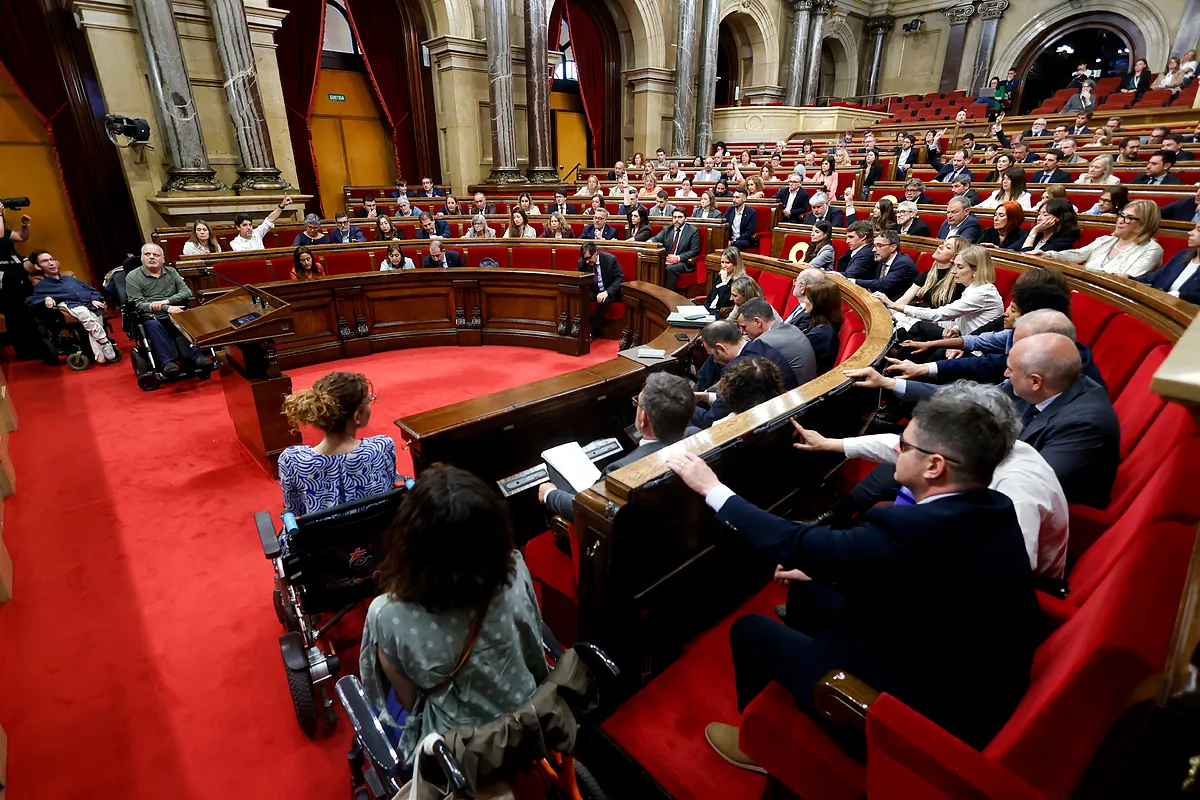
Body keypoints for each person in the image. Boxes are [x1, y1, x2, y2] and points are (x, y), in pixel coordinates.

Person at [671, 381, 1041, 767]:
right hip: (947, 654)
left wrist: (714, 490)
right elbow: (926, 576)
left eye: (905, 445)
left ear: (935, 466)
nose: (895, 449)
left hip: (918, 711)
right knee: (811, 589)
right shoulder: (994, 504)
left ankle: (760, 743)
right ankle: (803, 679)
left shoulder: (912, 530)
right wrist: (831, 565)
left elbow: (796, 543)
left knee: (750, 630)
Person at [360, 464, 548, 767]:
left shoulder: (386, 613)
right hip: (529, 721)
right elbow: (532, 644)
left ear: (410, 543)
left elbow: (410, 701)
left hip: (457, 753)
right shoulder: (514, 568)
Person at [795, 382, 1068, 579]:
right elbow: (899, 445)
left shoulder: (1018, 489)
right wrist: (830, 444)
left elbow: (1008, 571)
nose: (900, 448)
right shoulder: (990, 448)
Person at [540, 373, 696, 521]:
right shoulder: (696, 436)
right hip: (680, 523)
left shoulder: (620, 471)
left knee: (555, 470)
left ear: (644, 418)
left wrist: (550, 494)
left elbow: (588, 509)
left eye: (637, 403)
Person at [1007, 333, 1120, 508]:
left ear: (1035, 381)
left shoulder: (1084, 425)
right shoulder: (1053, 384)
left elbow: (1032, 485)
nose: (1006, 374)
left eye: (1010, 370)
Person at [278, 371, 395, 516]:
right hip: (378, 529)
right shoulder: (381, 448)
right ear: (357, 416)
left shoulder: (292, 461)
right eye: (368, 401)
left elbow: (295, 513)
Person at [126, 243, 213, 377]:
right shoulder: (133, 277)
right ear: (142, 258)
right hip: (150, 316)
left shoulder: (171, 272)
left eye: (156, 255)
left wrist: (167, 301)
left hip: (174, 311)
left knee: (186, 318)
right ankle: (167, 363)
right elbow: (137, 303)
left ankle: (197, 357)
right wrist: (166, 308)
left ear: (163, 259)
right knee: (153, 325)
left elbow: (186, 292)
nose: (151, 257)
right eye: (147, 254)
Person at [881, 244, 1003, 339]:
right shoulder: (973, 288)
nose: (953, 271)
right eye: (954, 265)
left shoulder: (982, 293)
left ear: (976, 270)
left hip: (976, 349)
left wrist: (895, 305)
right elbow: (965, 319)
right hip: (962, 338)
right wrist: (956, 328)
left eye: (960, 267)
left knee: (918, 331)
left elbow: (939, 314)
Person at [691, 320, 794, 428]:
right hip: (782, 414)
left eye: (712, 355)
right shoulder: (763, 347)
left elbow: (709, 421)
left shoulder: (739, 371)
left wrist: (684, 404)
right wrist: (707, 397)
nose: (714, 361)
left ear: (721, 348)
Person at [25, 250, 118, 363]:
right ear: (37, 266)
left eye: (52, 259)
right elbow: (31, 302)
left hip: (91, 305)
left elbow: (91, 290)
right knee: (84, 313)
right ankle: (104, 342)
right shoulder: (42, 286)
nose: (51, 263)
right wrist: (46, 299)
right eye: (45, 261)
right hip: (74, 308)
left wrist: (94, 299)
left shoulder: (70, 278)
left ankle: (100, 355)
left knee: (95, 317)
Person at [1038, 199, 1163, 277]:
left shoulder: (1151, 250)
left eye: (1129, 218)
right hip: (1084, 286)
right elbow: (1079, 254)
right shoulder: (1105, 240)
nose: (1120, 221)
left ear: (1145, 223)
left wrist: (1085, 272)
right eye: (1121, 215)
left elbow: (1128, 278)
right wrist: (1049, 254)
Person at [736, 298, 818, 386]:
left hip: (797, 391)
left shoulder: (763, 342)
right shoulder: (792, 328)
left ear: (758, 322)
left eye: (744, 327)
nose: (743, 332)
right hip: (811, 386)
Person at [888, 236, 970, 314]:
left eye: (948, 247)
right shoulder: (927, 274)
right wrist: (889, 312)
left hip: (937, 319)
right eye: (943, 244)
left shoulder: (959, 281)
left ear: (954, 258)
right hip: (919, 314)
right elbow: (904, 300)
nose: (940, 246)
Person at [1135, 221, 1200, 303]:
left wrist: (1179, 296)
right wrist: (1128, 279)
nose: (1190, 233)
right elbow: (1151, 280)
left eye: (1199, 230)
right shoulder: (1183, 255)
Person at [853, 230, 918, 301]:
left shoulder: (903, 264)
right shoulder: (882, 259)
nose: (873, 250)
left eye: (879, 246)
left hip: (898, 304)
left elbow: (882, 284)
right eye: (874, 246)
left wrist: (853, 281)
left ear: (893, 247)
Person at [578, 241, 622, 336]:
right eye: (585, 259)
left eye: (589, 258)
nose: (587, 261)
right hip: (593, 292)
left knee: (601, 300)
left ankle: (594, 332)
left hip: (609, 291)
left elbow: (619, 278)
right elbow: (580, 281)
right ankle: (579, 328)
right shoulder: (582, 263)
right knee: (579, 297)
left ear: (596, 252)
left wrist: (607, 292)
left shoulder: (610, 259)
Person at [649, 209, 700, 290]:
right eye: (674, 217)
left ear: (686, 218)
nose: (676, 220)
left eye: (680, 217)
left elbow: (694, 250)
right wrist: (649, 242)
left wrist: (678, 258)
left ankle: (668, 294)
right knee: (652, 263)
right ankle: (653, 291)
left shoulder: (693, 231)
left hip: (683, 262)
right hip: (667, 259)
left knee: (670, 268)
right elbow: (656, 238)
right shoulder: (667, 229)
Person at [800, 279, 842, 372]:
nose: (804, 300)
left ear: (818, 304)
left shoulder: (820, 335)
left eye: (808, 298)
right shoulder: (816, 323)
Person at [700, 247, 748, 314]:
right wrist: (704, 310)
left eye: (727, 263)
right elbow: (710, 297)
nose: (724, 266)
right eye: (722, 262)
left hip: (720, 314)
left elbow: (724, 302)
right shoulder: (721, 275)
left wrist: (724, 283)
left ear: (736, 264)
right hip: (708, 311)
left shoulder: (740, 281)